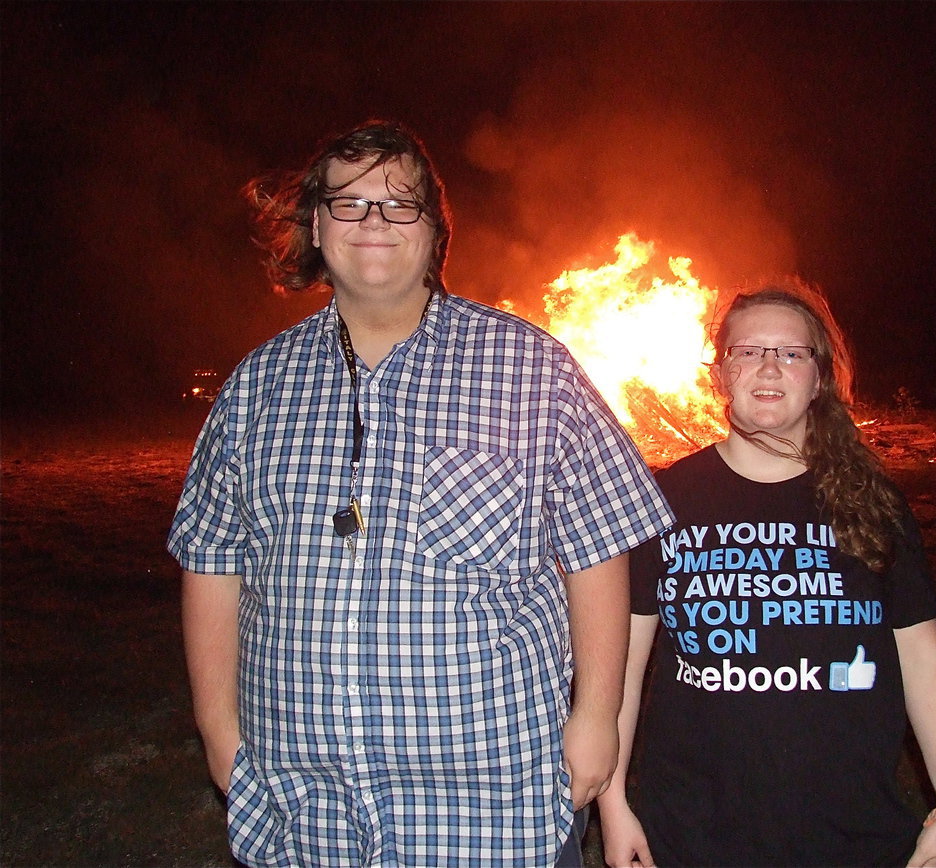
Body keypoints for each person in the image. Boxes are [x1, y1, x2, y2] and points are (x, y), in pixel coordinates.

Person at [168, 119, 675, 867]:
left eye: (400, 202)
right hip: (305, 817)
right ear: (316, 224)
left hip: (494, 813)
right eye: (350, 202)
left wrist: (596, 719)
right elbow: (212, 562)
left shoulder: (531, 371)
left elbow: (597, 551)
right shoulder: (257, 388)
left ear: (435, 230)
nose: (374, 220)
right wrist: (221, 735)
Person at [597, 280, 936, 867]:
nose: (768, 365)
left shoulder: (872, 503)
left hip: (847, 831)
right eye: (747, 351)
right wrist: (613, 803)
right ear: (719, 375)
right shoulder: (662, 500)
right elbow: (621, 662)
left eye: (792, 353)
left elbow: (921, 653)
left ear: (819, 378)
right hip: (695, 829)